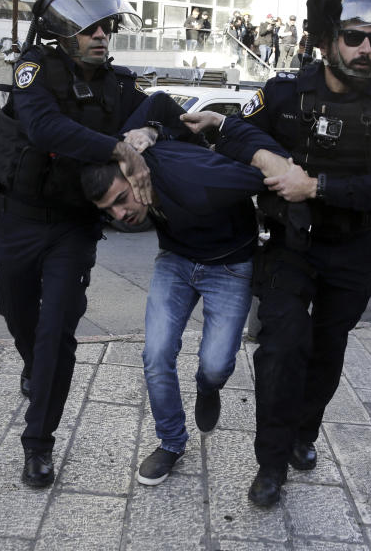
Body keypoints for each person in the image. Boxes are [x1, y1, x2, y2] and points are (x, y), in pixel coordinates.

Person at [183, 0, 371, 507]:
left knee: (326, 352)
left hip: (353, 249)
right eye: (356, 37)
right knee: (282, 348)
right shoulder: (287, 91)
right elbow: (244, 133)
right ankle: (271, 464)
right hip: (291, 245)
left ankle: (304, 433)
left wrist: (316, 186)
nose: (367, 50)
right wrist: (230, 127)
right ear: (329, 37)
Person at [0, 0, 188, 489]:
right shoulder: (36, 70)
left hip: (74, 227)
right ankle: (35, 366)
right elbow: (43, 129)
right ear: (66, 33)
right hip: (23, 217)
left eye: (107, 27)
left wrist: (150, 132)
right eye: (91, 28)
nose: (102, 35)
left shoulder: (119, 85)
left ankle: (38, 444)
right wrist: (118, 149)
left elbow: (165, 109)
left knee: (57, 328)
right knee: (14, 306)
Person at [81, 126, 289, 487]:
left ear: (135, 174)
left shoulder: (196, 180)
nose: (120, 215)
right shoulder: (135, 168)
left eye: (121, 199)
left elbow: (264, 175)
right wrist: (150, 130)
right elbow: (157, 101)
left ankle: (207, 388)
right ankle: (172, 442)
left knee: (215, 366)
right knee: (156, 352)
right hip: (175, 261)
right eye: (109, 210)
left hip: (230, 266)